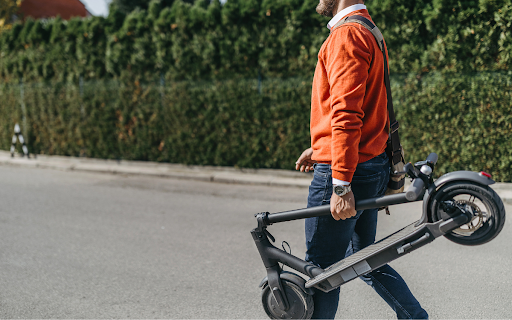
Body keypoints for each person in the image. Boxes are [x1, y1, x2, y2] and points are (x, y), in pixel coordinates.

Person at [294, 0, 429, 319]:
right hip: (370, 163)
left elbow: (346, 114)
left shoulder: (347, 35)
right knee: (365, 260)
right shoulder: (368, 29)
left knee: (321, 274)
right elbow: (368, 107)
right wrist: (320, 147)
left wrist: (340, 185)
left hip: (348, 173)